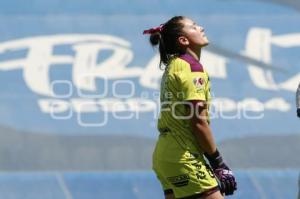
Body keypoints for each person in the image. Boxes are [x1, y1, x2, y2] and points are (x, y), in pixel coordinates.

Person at [143, 16, 237, 199]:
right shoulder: (191, 68)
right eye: (194, 26)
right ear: (183, 40)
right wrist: (218, 163)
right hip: (183, 157)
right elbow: (198, 122)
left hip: (165, 156)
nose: (201, 27)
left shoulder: (175, 65)